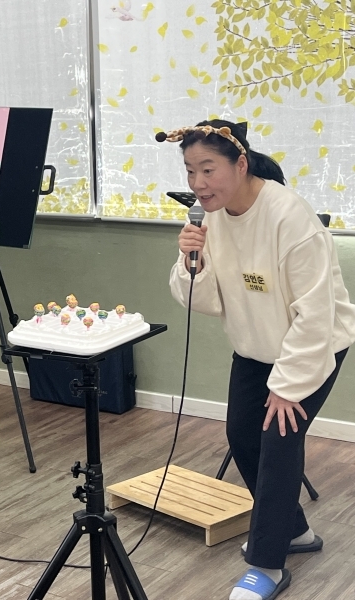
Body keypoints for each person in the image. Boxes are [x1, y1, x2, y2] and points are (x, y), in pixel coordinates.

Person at [164, 120, 355, 600]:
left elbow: (316, 313)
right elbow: (205, 301)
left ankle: (267, 565)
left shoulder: (290, 218)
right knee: (242, 436)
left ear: (241, 164)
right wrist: (192, 261)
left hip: (313, 345)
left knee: (278, 442)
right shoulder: (210, 219)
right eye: (190, 171)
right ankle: (294, 531)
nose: (198, 183)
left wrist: (288, 386)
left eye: (208, 169)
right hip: (255, 348)